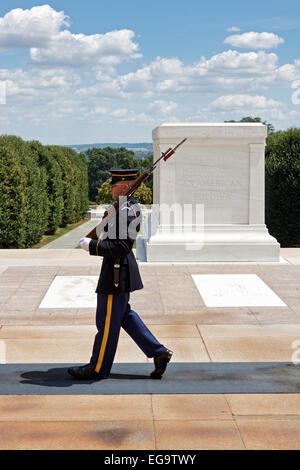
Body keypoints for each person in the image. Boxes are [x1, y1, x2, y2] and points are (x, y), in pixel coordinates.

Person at [68, 169, 172, 381]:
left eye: (114, 185)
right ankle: (158, 352)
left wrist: (93, 246)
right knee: (124, 316)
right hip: (119, 270)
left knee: (106, 323)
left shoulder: (126, 210)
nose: (110, 188)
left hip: (116, 272)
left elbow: (122, 245)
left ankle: (97, 368)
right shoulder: (124, 208)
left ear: (125, 186)